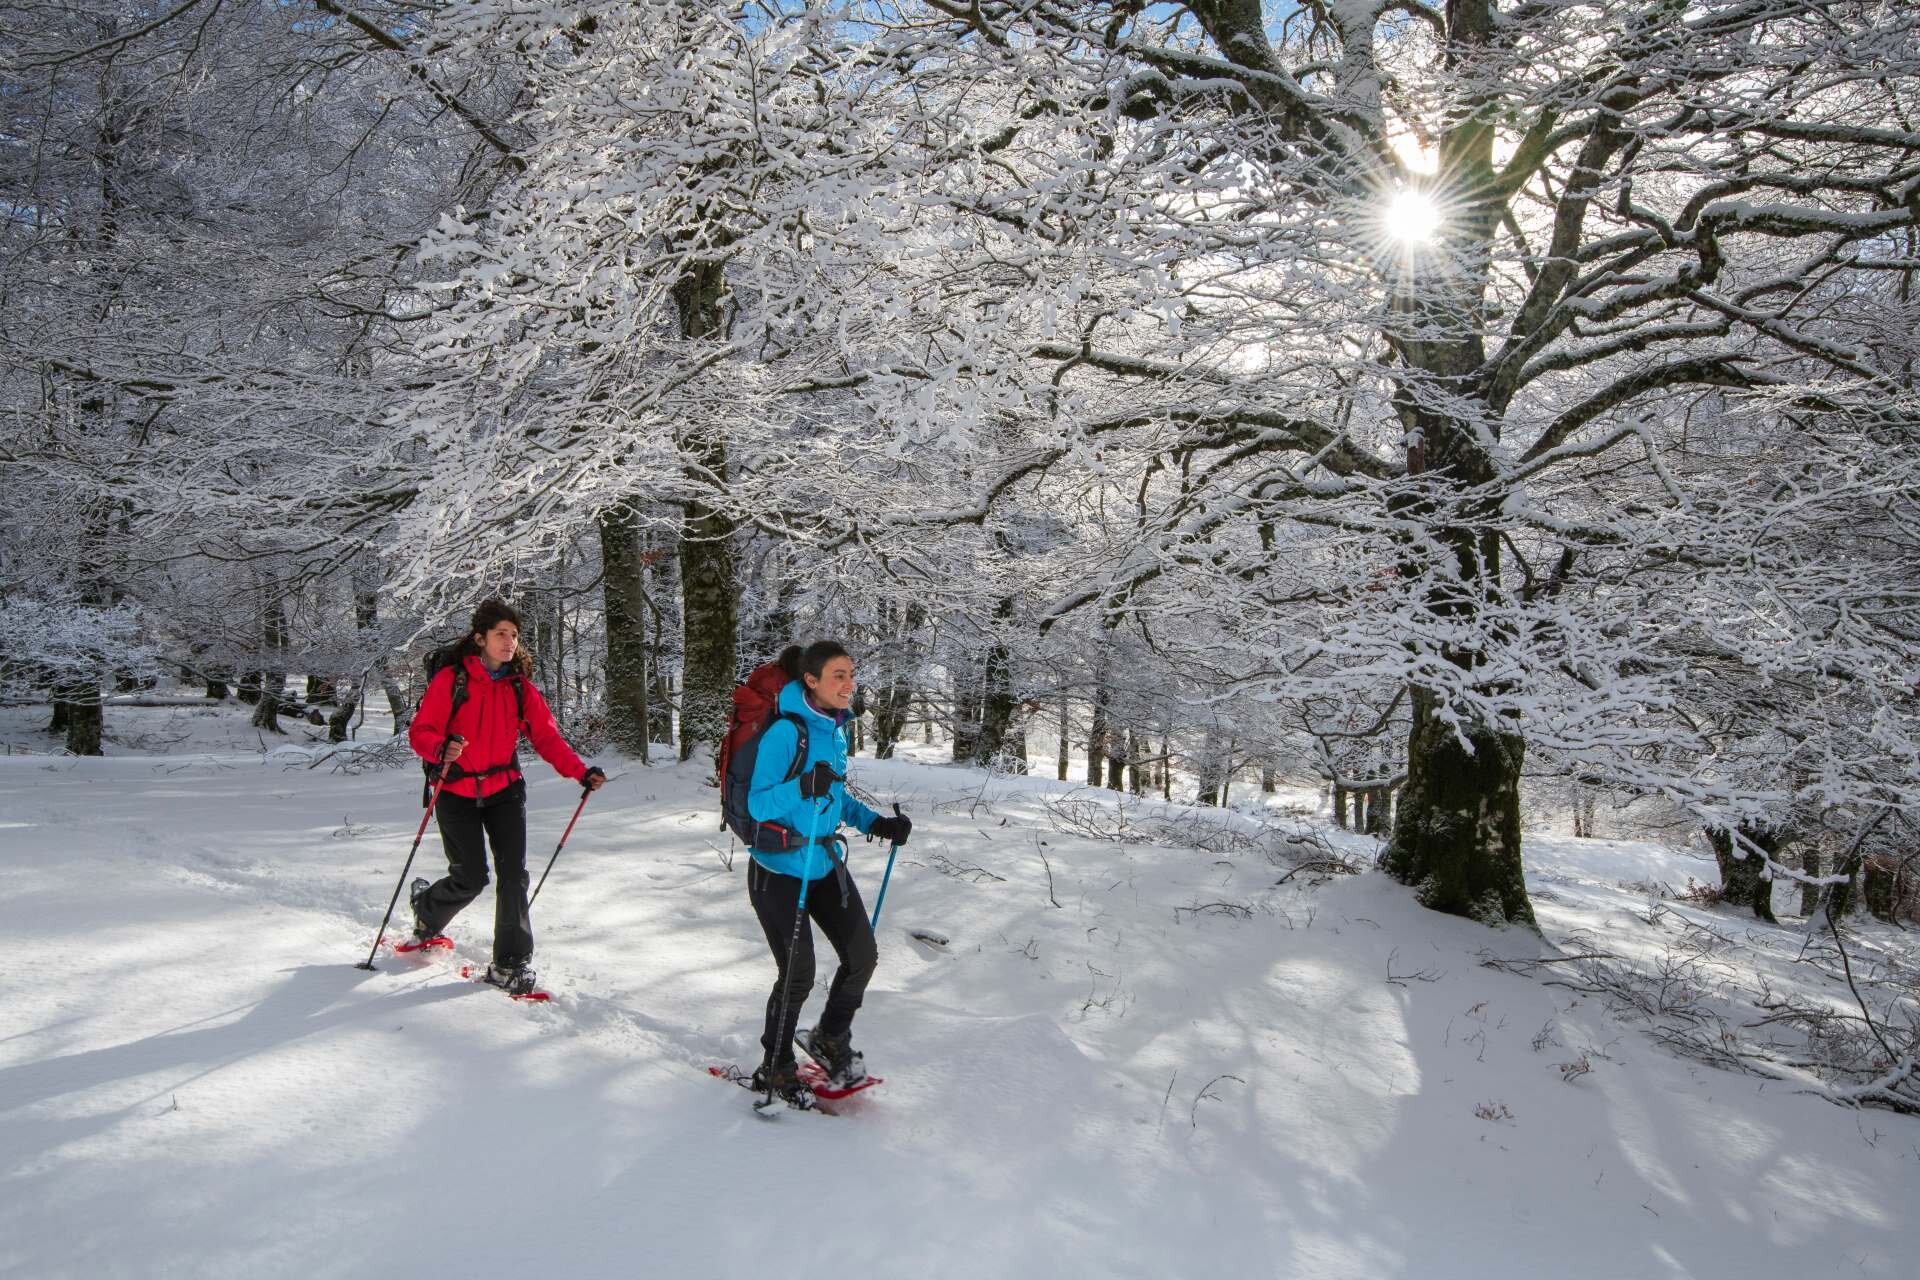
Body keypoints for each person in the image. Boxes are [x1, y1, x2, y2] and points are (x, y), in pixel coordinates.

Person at [407, 599, 605, 995]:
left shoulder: (519, 687)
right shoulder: (452, 681)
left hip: (504, 790)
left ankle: (510, 964)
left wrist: (580, 771)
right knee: (471, 877)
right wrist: (440, 748)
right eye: (501, 634)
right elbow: (420, 732)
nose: (509, 642)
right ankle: (427, 910)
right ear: (480, 638)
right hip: (456, 790)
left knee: (513, 876)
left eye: (514, 635)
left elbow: (547, 737)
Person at [745, 640, 911, 1104]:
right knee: (798, 973)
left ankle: (829, 1038)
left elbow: (834, 798)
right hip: (777, 871)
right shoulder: (785, 732)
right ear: (811, 681)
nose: (849, 682)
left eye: (851, 673)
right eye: (838, 674)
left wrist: (877, 823)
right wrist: (801, 786)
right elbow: (756, 803)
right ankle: (775, 1066)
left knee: (862, 956)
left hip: (823, 867)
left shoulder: (837, 732)